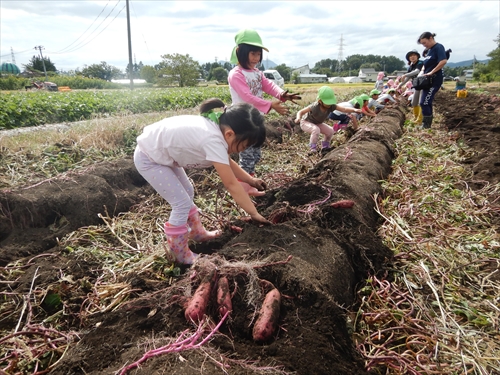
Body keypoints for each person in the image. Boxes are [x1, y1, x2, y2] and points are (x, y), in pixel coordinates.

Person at [134, 98, 271, 264]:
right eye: (242, 147)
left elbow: (227, 161)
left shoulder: (219, 130)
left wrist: (250, 180)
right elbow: (231, 185)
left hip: (163, 154)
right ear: (230, 134)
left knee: (188, 192)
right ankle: (179, 254)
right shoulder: (213, 140)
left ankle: (197, 233)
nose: (242, 151)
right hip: (150, 158)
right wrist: (254, 213)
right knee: (181, 203)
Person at [228, 29, 300, 194]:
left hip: (256, 120)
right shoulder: (236, 74)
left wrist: (282, 94)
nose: (256, 58)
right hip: (242, 121)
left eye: (258, 54)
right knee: (246, 157)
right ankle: (244, 190)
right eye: (252, 53)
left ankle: (248, 185)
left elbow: (269, 85)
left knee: (255, 154)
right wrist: (271, 104)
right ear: (240, 52)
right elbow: (247, 97)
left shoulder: (256, 73)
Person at [294, 86, 360, 154]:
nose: (329, 104)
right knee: (316, 130)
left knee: (330, 131)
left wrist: (354, 110)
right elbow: (301, 112)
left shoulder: (331, 106)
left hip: (317, 123)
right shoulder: (315, 106)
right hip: (305, 122)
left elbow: (344, 109)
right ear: (320, 101)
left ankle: (325, 147)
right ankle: (312, 149)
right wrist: (298, 118)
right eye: (327, 102)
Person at [417, 32, 448, 129]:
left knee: (425, 102)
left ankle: (426, 125)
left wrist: (431, 72)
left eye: (425, 42)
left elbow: (443, 61)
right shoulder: (429, 51)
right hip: (427, 80)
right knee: (424, 102)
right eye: (422, 44)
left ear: (430, 38)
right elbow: (425, 65)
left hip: (435, 80)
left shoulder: (439, 47)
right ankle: (426, 123)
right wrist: (422, 72)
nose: (424, 45)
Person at [398, 49, 424, 125]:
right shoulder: (411, 66)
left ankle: (420, 119)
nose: (412, 57)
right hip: (417, 85)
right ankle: (415, 117)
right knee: (414, 102)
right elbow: (407, 78)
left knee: (420, 102)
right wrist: (400, 85)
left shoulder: (420, 63)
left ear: (417, 56)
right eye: (410, 56)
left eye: (414, 55)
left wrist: (405, 74)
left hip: (423, 84)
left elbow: (417, 71)